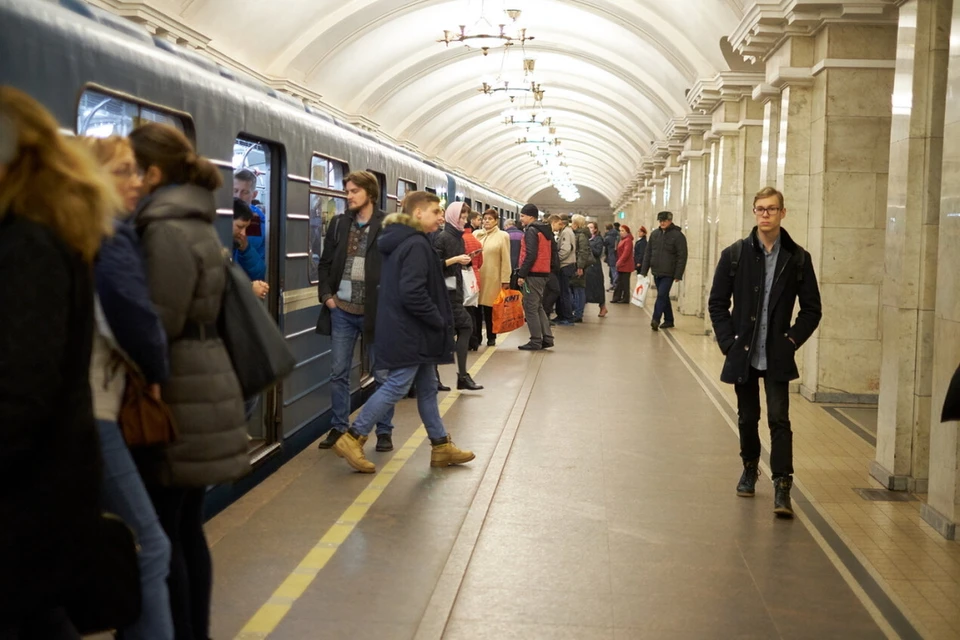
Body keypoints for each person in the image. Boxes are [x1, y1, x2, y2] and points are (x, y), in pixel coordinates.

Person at [0, 86, 115, 639]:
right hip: (41, 496)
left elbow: (20, 390)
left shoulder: (25, 246)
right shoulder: (46, 236)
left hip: (24, 502)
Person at [129, 122, 251, 640]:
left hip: (182, 390)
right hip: (203, 382)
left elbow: (161, 319)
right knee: (184, 526)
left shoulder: (165, 228)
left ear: (153, 173)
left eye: (132, 170)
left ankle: (180, 631)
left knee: (167, 530)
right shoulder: (192, 219)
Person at [80, 135, 175, 640]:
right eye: (123, 171)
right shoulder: (111, 234)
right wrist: (157, 373)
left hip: (83, 410)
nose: (136, 181)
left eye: (137, 170)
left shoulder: (75, 230)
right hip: (95, 407)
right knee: (150, 543)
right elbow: (134, 316)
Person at [333, 191, 475, 474]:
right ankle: (353, 436)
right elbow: (412, 292)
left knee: (426, 388)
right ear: (418, 213)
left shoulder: (406, 240)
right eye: (436, 212)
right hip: (411, 330)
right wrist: (438, 319)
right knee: (397, 384)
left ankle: (440, 446)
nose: (439, 218)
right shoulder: (415, 245)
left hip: (408, 327)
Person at [708, 187, 822, 518]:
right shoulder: (735, 254)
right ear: (754, 213)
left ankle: (782, 485)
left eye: (772, 209)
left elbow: (812, 309)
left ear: (783, 213)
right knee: (747, 416)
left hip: (776, 354)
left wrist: (791, 341)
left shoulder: (798, 258)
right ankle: (749, 467)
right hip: (743, 351)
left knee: (778, 419)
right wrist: (728, 342)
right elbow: (717, 302)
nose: (766, 214)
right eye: (760, 209)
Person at [314, 171, 397, 452]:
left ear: (369, 194)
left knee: (383, 375)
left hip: (377, 313)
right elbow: (324, 264)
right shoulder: (339, 224)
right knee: (338, 373)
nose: (348, 196)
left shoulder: (387, 224)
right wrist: (327, 296)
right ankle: (339, 428)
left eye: (353, 192)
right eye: (347, 191)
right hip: (342, 311)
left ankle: (384, 431)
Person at [434, 202, 483, 390]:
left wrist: (467, 260)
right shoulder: (443, 237)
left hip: (455, 289)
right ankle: (460, 376)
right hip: (446, 292)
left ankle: (441, 377)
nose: (464, 221)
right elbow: (434, 265)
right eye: (461, 217)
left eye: (465, 218)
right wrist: (456, 259)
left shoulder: (458, 237)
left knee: (447, 332)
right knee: (465, 326)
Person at [516, 204, 557, 351]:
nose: (520, 219)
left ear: (531, 217)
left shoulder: (532, 231)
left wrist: (522, 274)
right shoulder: (545, 231)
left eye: (522, 216)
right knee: (538, 306)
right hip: (543, 272)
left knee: (530, 307)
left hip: (533, 273)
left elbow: (530, 254)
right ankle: (547, 337)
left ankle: (535, 340)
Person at [641, 211, 688, 330]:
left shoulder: (678, 236)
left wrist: (678, 273)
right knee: (664, 296)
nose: (662, 223)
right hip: (656, 271)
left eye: (664, 221)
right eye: (660, 221)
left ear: (670, 221)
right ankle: (669, 320)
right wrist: (643, 271)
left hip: (669, 272)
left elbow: (682, 256)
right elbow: (648, 253)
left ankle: (655, 319)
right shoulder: (655, 234)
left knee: (661, 295)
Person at [475, 209, 513, 346]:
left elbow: (506, 259)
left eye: (490, 219)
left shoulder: (502, 236)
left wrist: (505, 279)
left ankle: (491, 337)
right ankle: (476, 336)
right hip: (477, 276)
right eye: (484, 219)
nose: (486, 221)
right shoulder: (476, 234)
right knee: (476, 308)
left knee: (490, 308)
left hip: (493, 278)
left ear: (496, 221)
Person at [233, 168, 266, 281]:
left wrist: (246, 249)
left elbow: (262, 273)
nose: (238, 196)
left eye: (245, 192)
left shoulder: (261, 225)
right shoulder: (219, 216)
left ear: (254, 194)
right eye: (235, 190)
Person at [233, 197, 268, 299]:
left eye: (246, 228)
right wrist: (249, 288)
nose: (243, 233)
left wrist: (246, 249)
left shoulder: (242, 243)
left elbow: (259, 272)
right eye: (239, 227)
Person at [462, 209, 484, 351]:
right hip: (474, 278)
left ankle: (465, 339)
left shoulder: (459, 239)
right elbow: (480, 262)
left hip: (463, 278)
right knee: (472, 311)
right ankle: (474, 340)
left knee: (462, 311)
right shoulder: (476, 241)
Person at [569, 215, 594, 322]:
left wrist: (580, 267)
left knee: (578, 288)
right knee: (576, 287)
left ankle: (578, 313)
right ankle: (577, 311)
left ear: (577, 224)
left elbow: (583, 252)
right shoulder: (580, 234)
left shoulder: (582, 235)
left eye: (573, 222)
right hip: (578, 264)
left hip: (580, 265)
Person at [555, 213, 577, 324]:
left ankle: (568, 317)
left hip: (565, 265)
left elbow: (566, 249)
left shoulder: (566, 233)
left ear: (561, 222)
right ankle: (562, 315)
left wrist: (556, 259)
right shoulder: (566, 232)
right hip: (566, 264)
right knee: (562, 292)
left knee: (564, 292)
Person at [585, 222, 608, 318]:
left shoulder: (598, 239)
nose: (589, 229)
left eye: (591, 227)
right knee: (586, 287)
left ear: (595, 229)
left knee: (597, 287)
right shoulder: (586, 238)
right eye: (588, 227)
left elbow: (598, 252)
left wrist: (588, 246)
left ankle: (602, 306)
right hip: (587, 266)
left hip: (595, 266)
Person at [611, 224, 635, 303]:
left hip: (626, 265)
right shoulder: (622, 239)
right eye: (620, 230)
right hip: (621, 265)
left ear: (627, 232)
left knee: (624, 283)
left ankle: (625, 298)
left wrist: (619, 261)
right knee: (619, 282)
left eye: (623, 231)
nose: (621, 232)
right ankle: (617, 297)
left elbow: (626, 253)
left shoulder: (628, 240)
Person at [603, 223, 619, 290]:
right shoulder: (617, 234)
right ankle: (615, 284)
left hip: (612, 255)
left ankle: (615, 285)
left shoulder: (608, 237)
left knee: (613, 271)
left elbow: (604, 243)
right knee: (615, 270)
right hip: (616, 255)